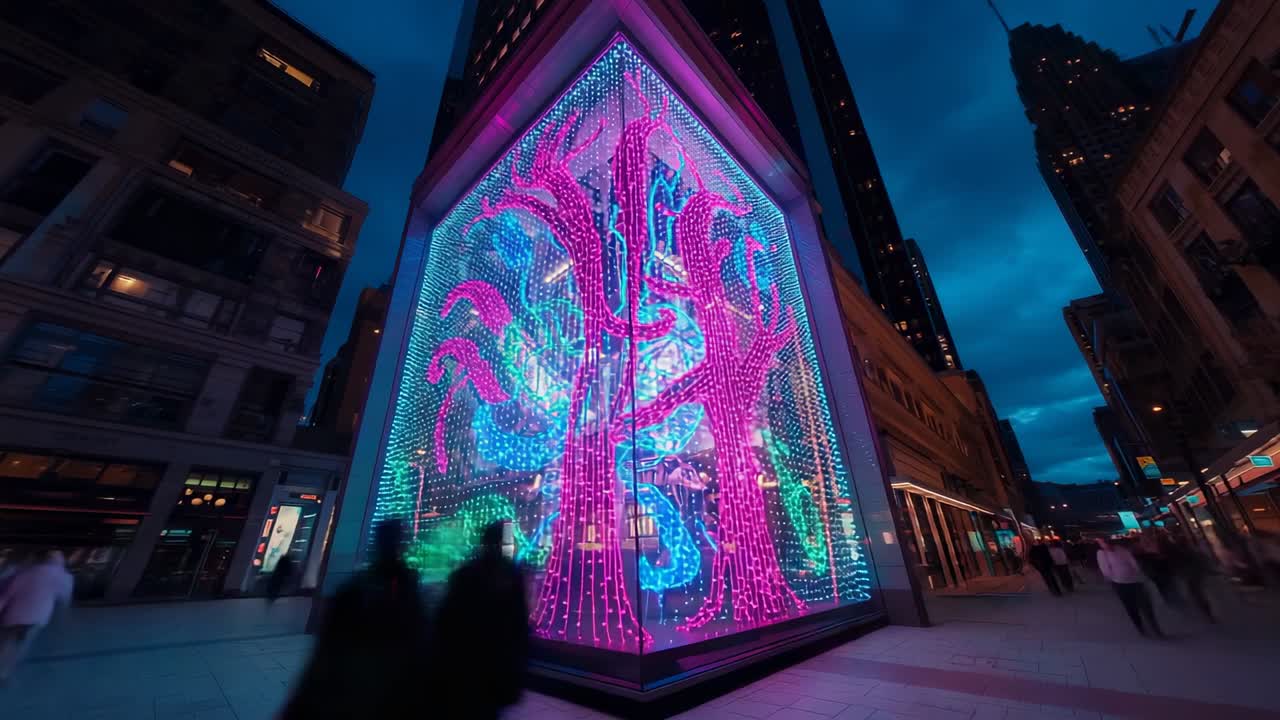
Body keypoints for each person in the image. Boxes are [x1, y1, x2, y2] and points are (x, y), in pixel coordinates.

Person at [280, 519, 430, 719]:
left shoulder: (360, 585)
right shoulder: (399, 585)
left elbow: (326, 652)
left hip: (365, 684)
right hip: (378, 684)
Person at [435, 521, 530, 720]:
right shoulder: (511, 576)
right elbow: (519, 626)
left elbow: (446, 621)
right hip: (490, 668)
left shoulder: (466, 574)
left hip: (467, 667)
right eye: (507, 541)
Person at [0, 550, 74, 684]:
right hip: (37, 618)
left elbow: (7, 596)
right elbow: (64, 601)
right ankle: (4, 673)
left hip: (13, 616)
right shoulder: (63, 577)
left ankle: (3, 670)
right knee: (19, 646)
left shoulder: (26, 573)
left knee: (6, 642)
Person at [1096, 538, 1162, 637]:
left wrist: (1136, 572)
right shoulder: (1102, 554)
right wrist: (1113, 577)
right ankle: (1140, 627)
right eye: (1102, 543)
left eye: (1105, 542)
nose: (1105, 545)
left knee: (1145, 604)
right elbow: (1105, 569)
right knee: (1131, 606)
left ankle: (1154, 626)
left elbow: (1132, 561)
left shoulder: (1121, 549)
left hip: (1135, 580)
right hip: (1120, 583)